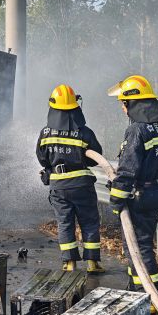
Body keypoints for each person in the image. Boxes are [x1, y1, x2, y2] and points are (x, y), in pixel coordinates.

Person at [107, 75, 158, 311]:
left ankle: (151, 298)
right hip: (153, 191)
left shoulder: (136, 130)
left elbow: (129, 167)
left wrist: (117, 197)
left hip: (139, 196)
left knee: (139, 247)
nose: (123, 108)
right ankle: (137, 290)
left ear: (134, 103)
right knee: (140, 245)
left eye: (123, 103)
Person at [36, 84, 104, 272]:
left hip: (59, 187)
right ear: (76, 106)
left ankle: (69, 263)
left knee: (65, 223)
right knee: (89, 222)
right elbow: (96, 157)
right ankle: (92, 263)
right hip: (82, 186)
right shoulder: (85, 132)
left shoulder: (45, 133)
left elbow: (42, 158)